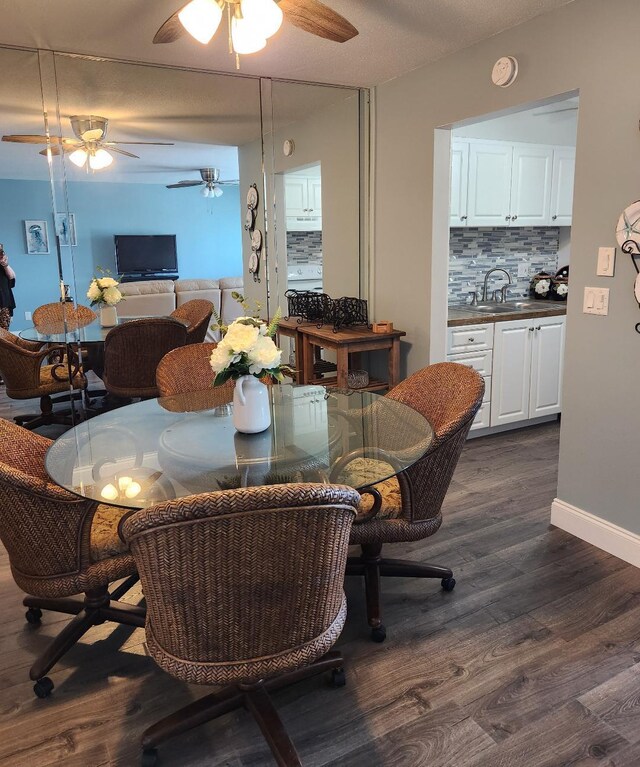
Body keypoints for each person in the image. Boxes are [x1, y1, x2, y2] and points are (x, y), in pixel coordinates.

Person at [0, 243, 16, 331]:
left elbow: (12, 278)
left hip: (4, 305)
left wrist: (5, 265)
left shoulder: (2, 265)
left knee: (4, 333)